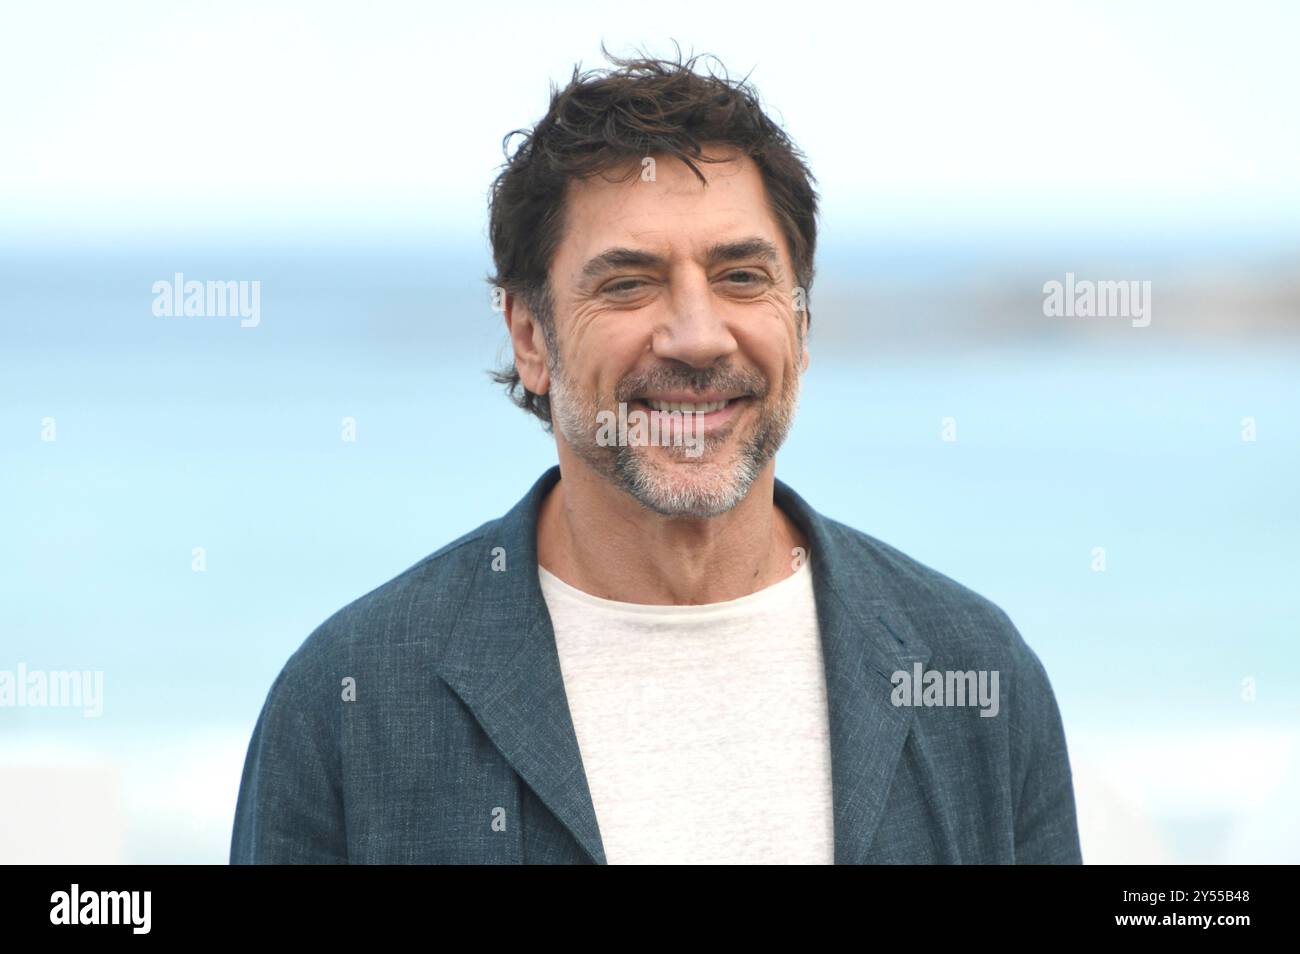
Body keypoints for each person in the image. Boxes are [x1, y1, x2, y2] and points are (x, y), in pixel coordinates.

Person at [231, 47, 1083, 864]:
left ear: (802, 324)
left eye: (742, 277)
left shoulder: (975, 673)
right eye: (628, 283)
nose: (698, 337)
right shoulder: (349, 702)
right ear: (531, 337)